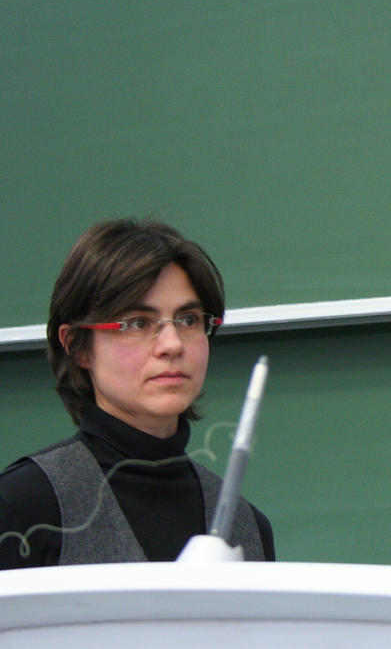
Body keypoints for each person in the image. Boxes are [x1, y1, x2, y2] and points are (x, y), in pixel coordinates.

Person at [0, 219, 275, 568]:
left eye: (188, 320)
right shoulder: (20, 506)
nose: (172, 344)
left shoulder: (247, 527)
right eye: (138, 323)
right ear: (77, 346)